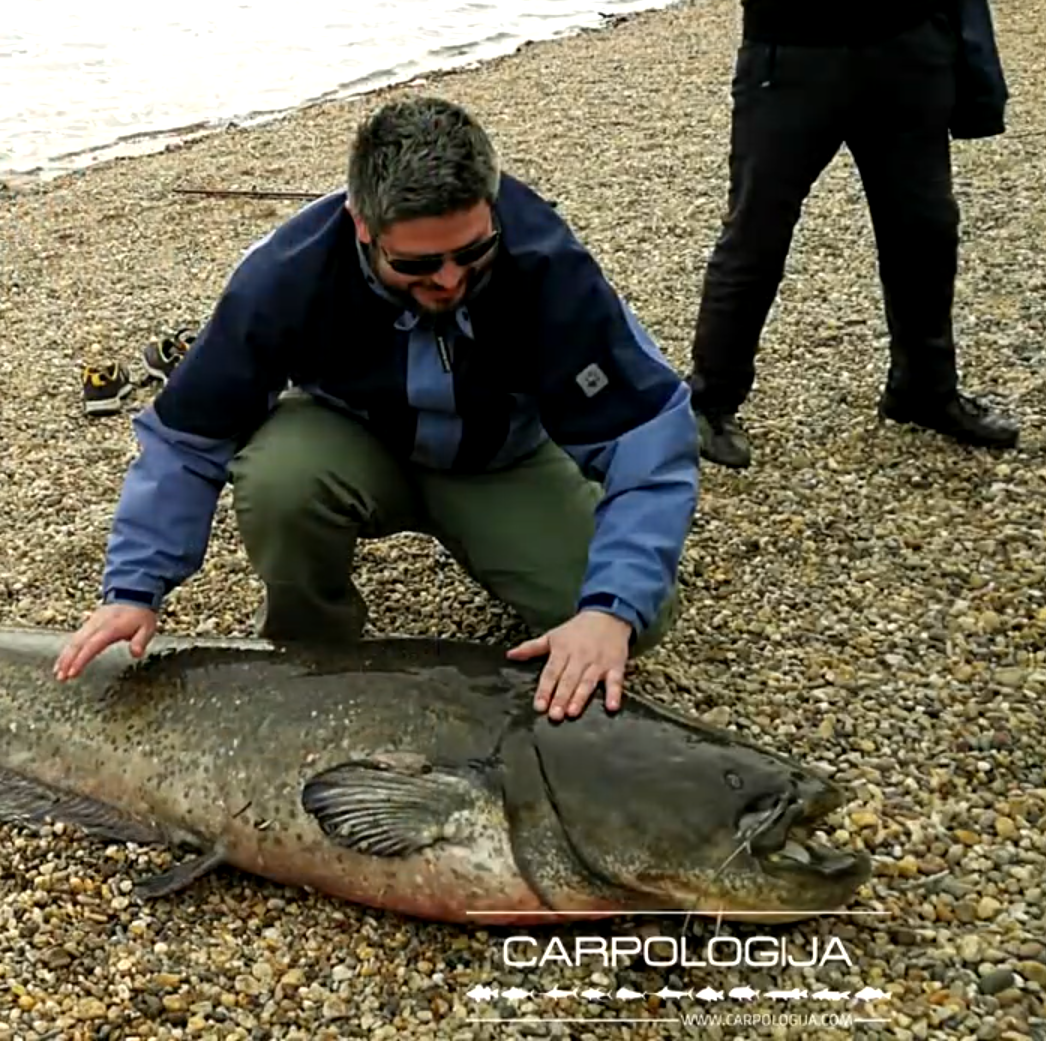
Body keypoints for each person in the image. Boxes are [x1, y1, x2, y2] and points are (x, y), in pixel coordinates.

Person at [53, 97, 701, 722]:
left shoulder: (549, 265)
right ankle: (312, 650)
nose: (449, 280)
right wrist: (135, 590)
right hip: (355, 444)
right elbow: (186, 438)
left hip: (499, 461)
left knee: (637, 623)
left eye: (472, 253)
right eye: (417, 263)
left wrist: (610, 610)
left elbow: (648, 433)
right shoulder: (286, 275)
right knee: (280, 478)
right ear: (363, 226)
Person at [686, 0, 1017, 468]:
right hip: (790, 52)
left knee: (925, 230)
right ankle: (710, 402)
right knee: (757, 234)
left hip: (910, 48)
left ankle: (923, 390)